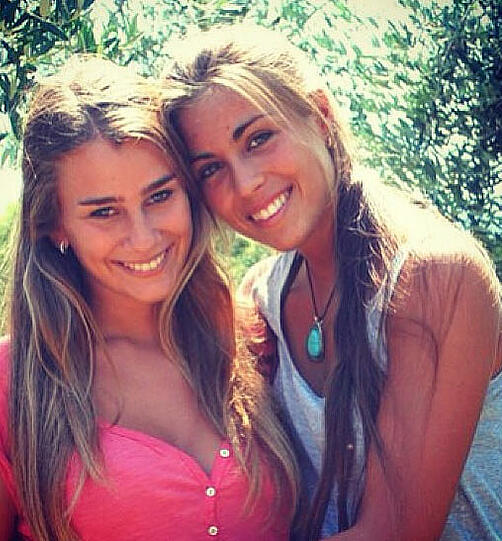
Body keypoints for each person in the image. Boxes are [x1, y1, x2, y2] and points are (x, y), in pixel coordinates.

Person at [159, 24, 502, 540]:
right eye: (210, 169)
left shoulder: (433, 277)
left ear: (319, 116)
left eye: (258, 139)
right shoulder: (264, 300)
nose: (245, 184)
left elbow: (393, 533)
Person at [0, 56, 299, 541]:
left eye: (160, 196)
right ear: (55, 226)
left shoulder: (251, 335)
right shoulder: (6, 384)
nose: (143, 238)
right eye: (104, 212)